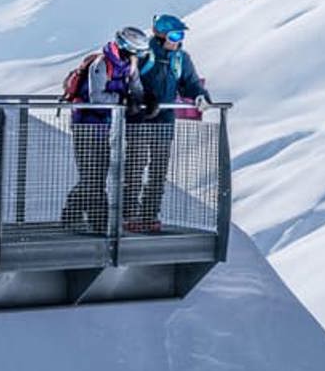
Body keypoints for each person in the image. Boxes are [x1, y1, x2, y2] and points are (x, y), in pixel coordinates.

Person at [124, 13, 213, 233]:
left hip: (164, 121)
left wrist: (200, 96)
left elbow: (189, 83)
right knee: (135, 167)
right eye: (174, 34)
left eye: (180, 35)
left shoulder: (180, 58)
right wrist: (141, 99)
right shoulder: (143, 53)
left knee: (158, 170)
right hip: (140, 119)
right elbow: (129, 80)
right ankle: (129, 215)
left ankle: (149, 214)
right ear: (160, 34)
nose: (178, 40)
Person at [60, 26, 149, 233]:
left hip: (106, 128)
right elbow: (96, 98)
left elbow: (136, 89)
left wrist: (144, 99)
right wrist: (124, 100)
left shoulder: (129, 64)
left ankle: (73, 215)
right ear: (126, 47)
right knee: (93, 176)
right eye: (137, 50)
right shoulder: (101, 64)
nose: (139, 55)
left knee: (96, 174)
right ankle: (98, 223)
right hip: (86, 126)